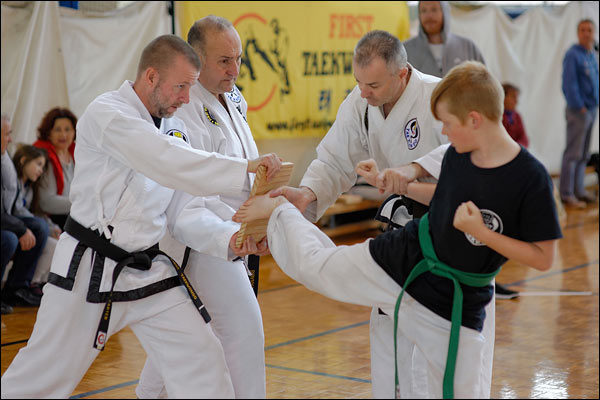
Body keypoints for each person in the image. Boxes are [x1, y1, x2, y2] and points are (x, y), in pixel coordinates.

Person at [234, 61, 562, 398]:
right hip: (405, 259)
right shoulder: (460, 154)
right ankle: (280, 211)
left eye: (448, 124)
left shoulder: (529, 178)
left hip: (458, 303)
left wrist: (483, 232)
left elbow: (543, 257)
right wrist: (393, 183)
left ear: (474, 120)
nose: (444, 133)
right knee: (319, 267)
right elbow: (444, 195)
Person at [0, 34, 282, 398]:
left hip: (148, 272)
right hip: (91, 271)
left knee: (203, 362)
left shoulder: (168, 127)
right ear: (151, 77)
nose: (186, 98)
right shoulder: (108, 114)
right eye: (181, 87)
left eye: (190, 88)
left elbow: (184, 198)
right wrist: (246, 167)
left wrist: (230, 237)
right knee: (42, 377)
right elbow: (167, 161)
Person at [269, 30, 495, 398]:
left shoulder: (440, 96)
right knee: (390, 334)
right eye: (358, 82)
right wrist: (308, 193)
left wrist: (409, 173)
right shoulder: (361, 104)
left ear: (402, 73)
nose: (363, 92)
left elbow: (469, 157)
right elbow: (334, 159)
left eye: (372, 84)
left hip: (453, 236)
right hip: (402, 233)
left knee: (447, 351)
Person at [135, 16, 267, 399]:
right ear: (196, 58)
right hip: (199, 240)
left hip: (235, 230)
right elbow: (187, 198)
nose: (235, 69)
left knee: (188, 327)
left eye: (239, 59)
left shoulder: (233, 96)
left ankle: (147, 396)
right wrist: (234, 233)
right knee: (242, 326)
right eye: (224, 60)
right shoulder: (182, 109)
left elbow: (244, 162)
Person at [1, 117, 49, 310]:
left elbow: (14, 208)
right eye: (7, 134)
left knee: (39, 227)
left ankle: (17, 287)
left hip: (6, 217)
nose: (11, 139)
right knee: (10, 239)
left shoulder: (5, 159)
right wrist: (20, 229)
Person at [11, 144, 61, 295]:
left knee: (54, 244)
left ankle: (35, 282)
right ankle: (22, 284)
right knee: (40, 226)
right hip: (14, 224)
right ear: (24, 160)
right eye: (38, 164)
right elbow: (18, 210)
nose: (40, 170)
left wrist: (52, 227)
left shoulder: (30, 188)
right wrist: (46, 227)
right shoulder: (14, 180)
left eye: (43, 167)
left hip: (25, 223)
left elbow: (36, 213)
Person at [559, 18, 599, 209]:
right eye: (582, 30)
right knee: (573, 153)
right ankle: (567, 194)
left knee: (583, 154)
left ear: (594, 33)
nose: (586, 33)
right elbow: (569, 84)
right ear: (578, 33)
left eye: (589, 30)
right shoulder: (572, 55)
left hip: (592, 109)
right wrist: (579, 106)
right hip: (579, 111)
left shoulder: (591, 54)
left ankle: (579, 190)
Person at [404, 1, 485, 78]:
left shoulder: (467, 47)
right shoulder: (405, 51)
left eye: (434, 9)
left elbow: (483, 81)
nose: (429, 16)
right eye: (424, 10)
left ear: (445, 12)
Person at [33, 107, 78, 229]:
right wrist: (82, 203)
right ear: (48, 133)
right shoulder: (44, 158)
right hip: (53, 219)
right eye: (57, 130)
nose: (63, 135)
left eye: (68, 129)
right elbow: (47, 202)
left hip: (75, 214)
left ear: (74, 132)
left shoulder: (77, 153)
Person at [502, 83, 529, 148]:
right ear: (502, 97)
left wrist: (518, 148)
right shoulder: (496, 115)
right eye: (513, 97)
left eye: (516, 97)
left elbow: (524, 138)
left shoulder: (517, 116)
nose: (516, 101)